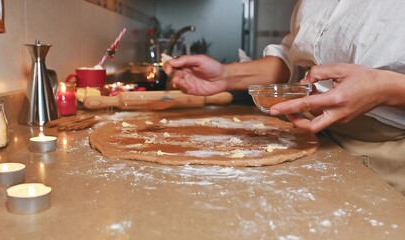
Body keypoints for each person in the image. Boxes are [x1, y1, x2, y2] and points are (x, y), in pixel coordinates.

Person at [164, 0, 405, 195]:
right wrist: (225, 76)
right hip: (308, 135)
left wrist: (383, 87)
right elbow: (298, 58)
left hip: (383, 152)